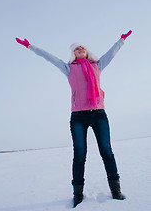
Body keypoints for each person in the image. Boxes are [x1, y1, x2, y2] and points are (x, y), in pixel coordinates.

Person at [16, 30, 132, 208]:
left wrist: (121, 40)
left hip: (99, 114)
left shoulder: (97, 66)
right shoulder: (68, 68)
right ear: (73, 53)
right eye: (76, 49)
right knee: (79, 155)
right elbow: (49, 57)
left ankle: (116, 190)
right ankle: (77, 194)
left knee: (107, 152)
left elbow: (112, 53)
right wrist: (31, 47)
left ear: (86, 51)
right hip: (78, 117)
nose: (79, 50)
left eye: (82, 48)